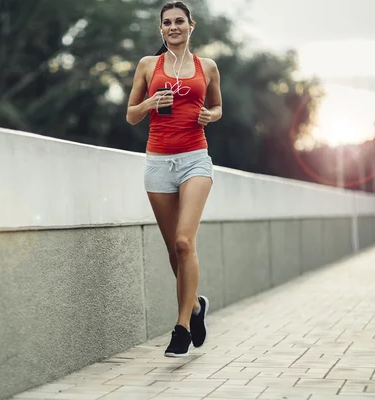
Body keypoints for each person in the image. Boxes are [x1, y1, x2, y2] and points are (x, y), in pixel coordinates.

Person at [126, 1, 222, 357]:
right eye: (167, 22)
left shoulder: (206, 66)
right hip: (158, 163)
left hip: (195, 159)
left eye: (179, 21)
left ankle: (181, 327)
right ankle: (196, 306)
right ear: (161, 29)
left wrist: (208, 117)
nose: (173, 27)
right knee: (172, 251)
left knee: (184, 242)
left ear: (191, 26)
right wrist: (151, 104)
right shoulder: (148, 66)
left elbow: (218, 107)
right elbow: (131, 115)